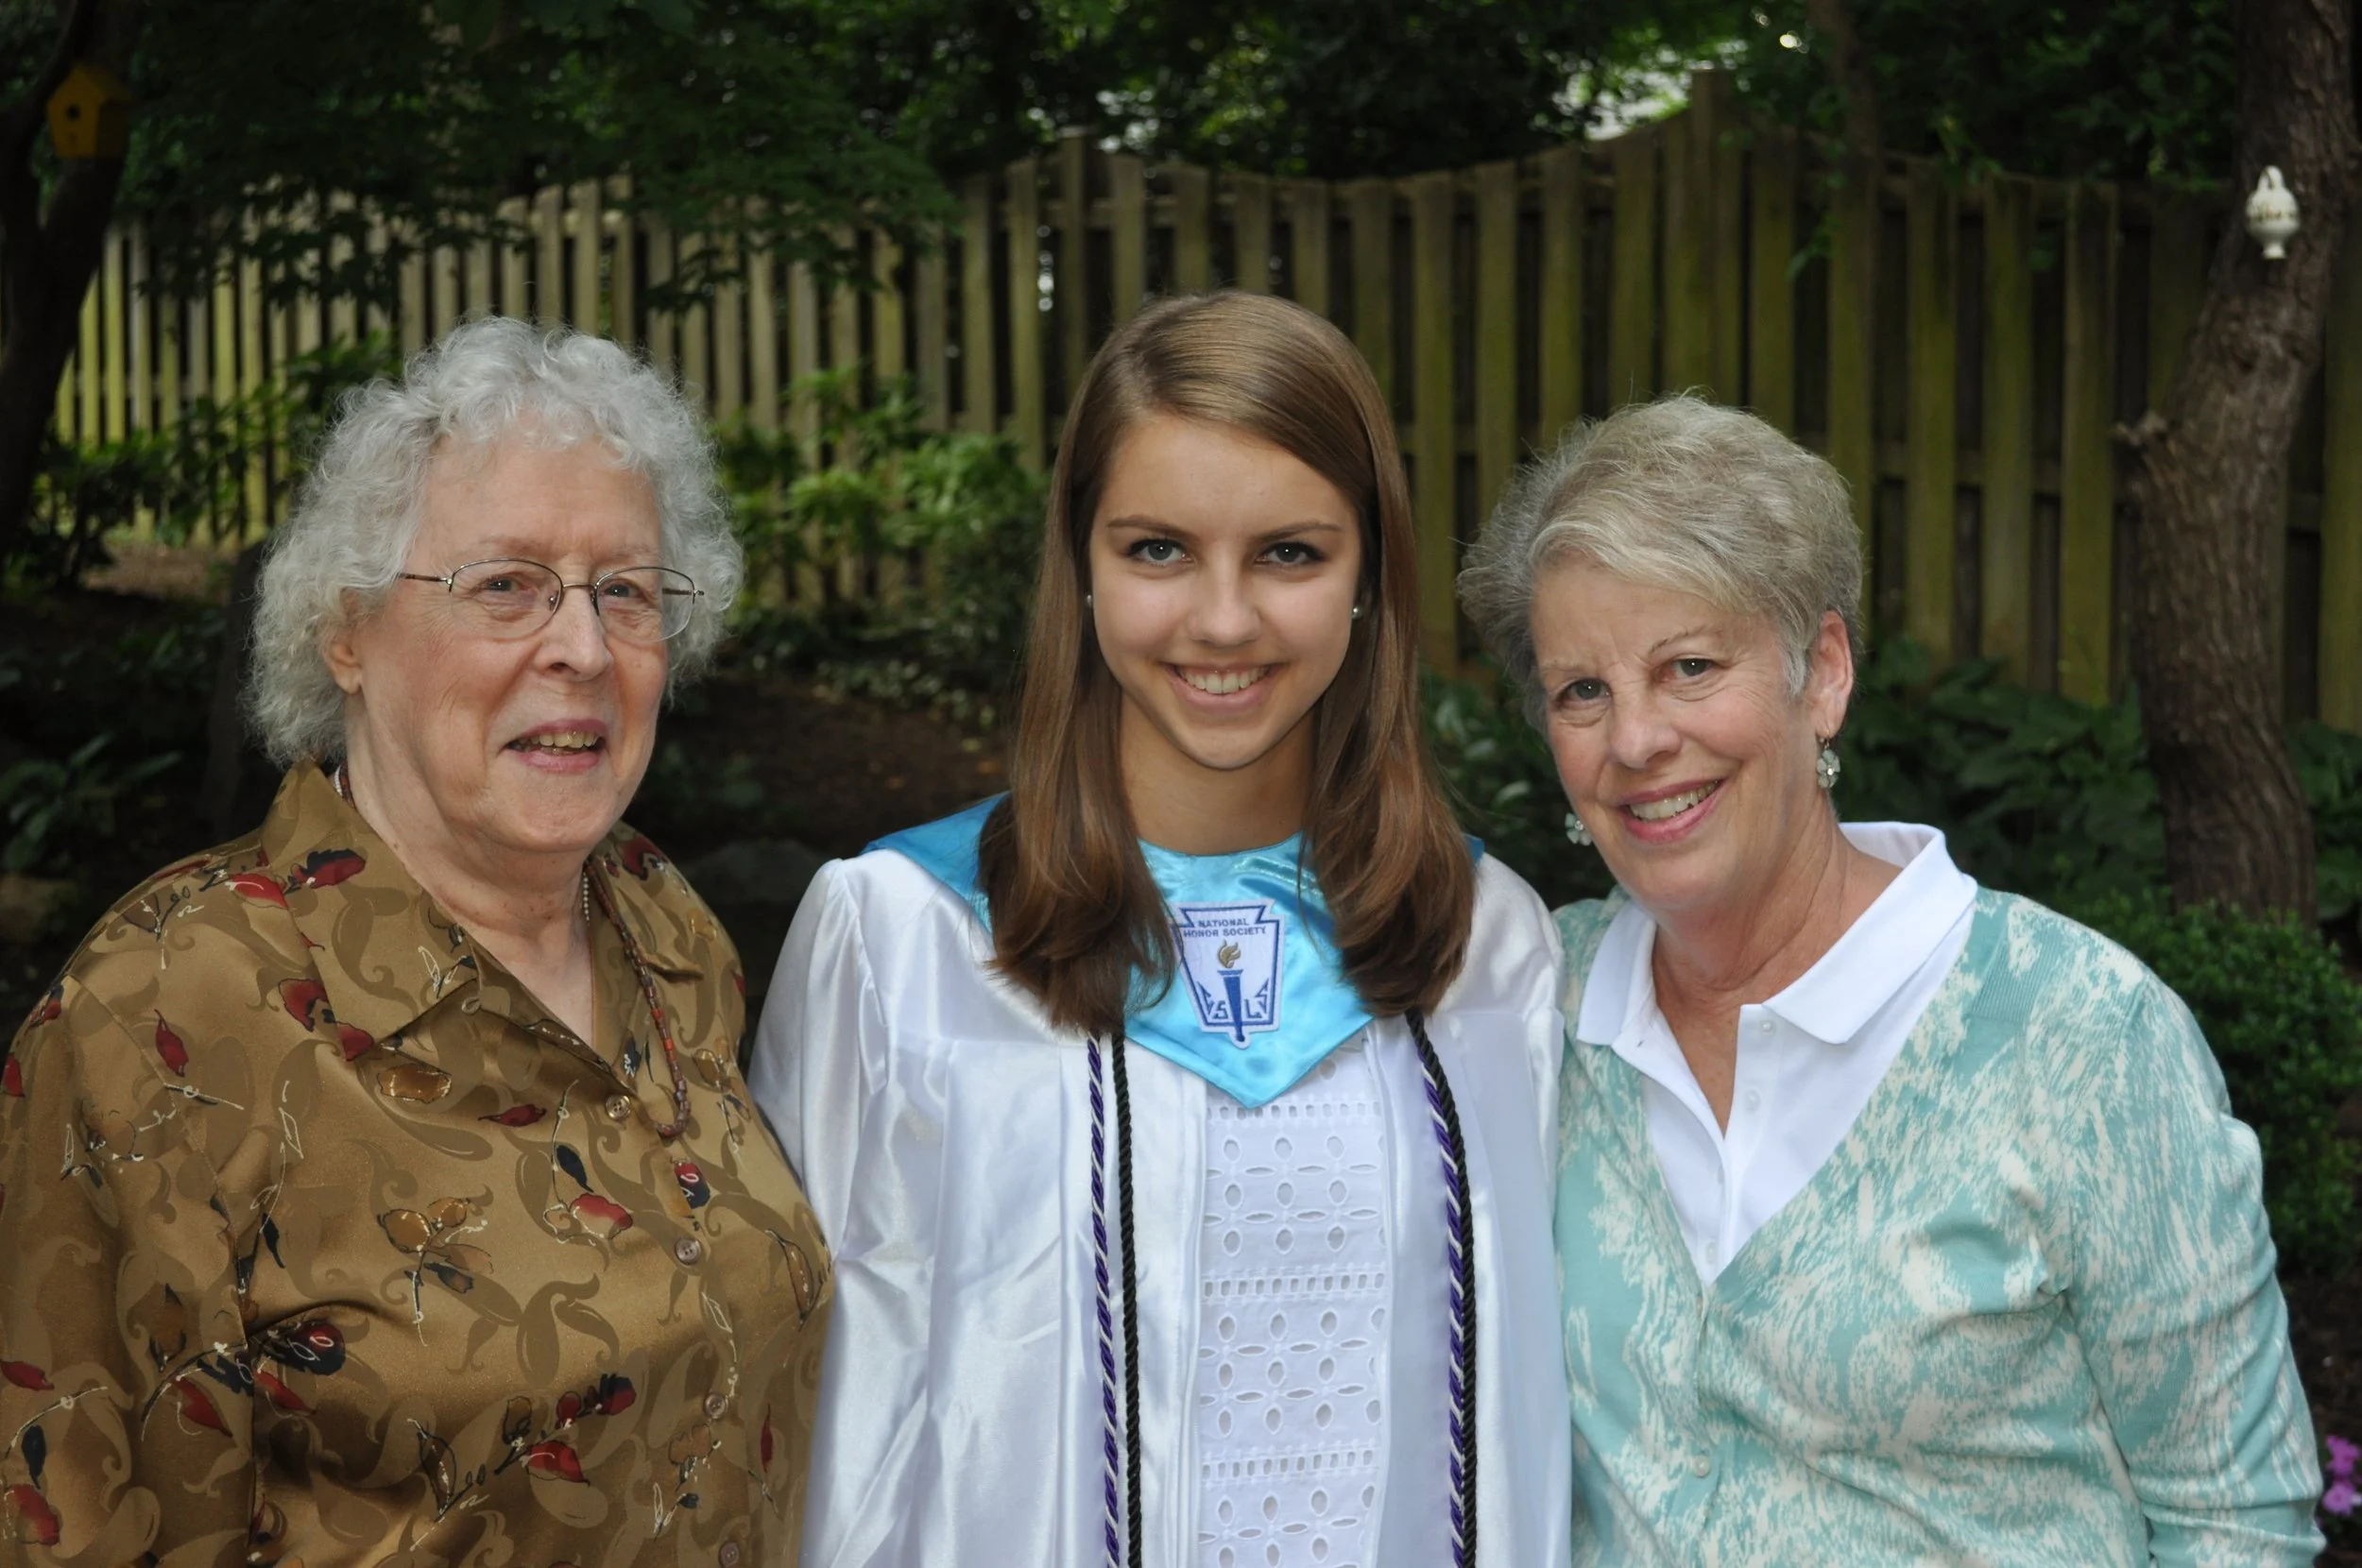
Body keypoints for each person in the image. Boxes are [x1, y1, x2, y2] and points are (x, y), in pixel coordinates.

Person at [747, 292, 1570, 1568]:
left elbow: (1519, 1417)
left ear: (1371, 579)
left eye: (1292, 554)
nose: (1224, 619)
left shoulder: (1489, 948)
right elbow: (835, 1431)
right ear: (1082, 563)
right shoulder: (903, 939)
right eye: (1159, 550)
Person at [0, 318, 831, 1567]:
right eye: (505, 585)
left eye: (627, 591)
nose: (584, 648)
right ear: (346, 628)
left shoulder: (666, 930)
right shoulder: (163, 1016)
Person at [1458, 393, 2325, 1565]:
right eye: (1582, 691)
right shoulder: (1531, 1002)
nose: (1635, 741)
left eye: (1690, 666)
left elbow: (2237, 1524)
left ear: (1821, 673)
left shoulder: (2081, 1035)